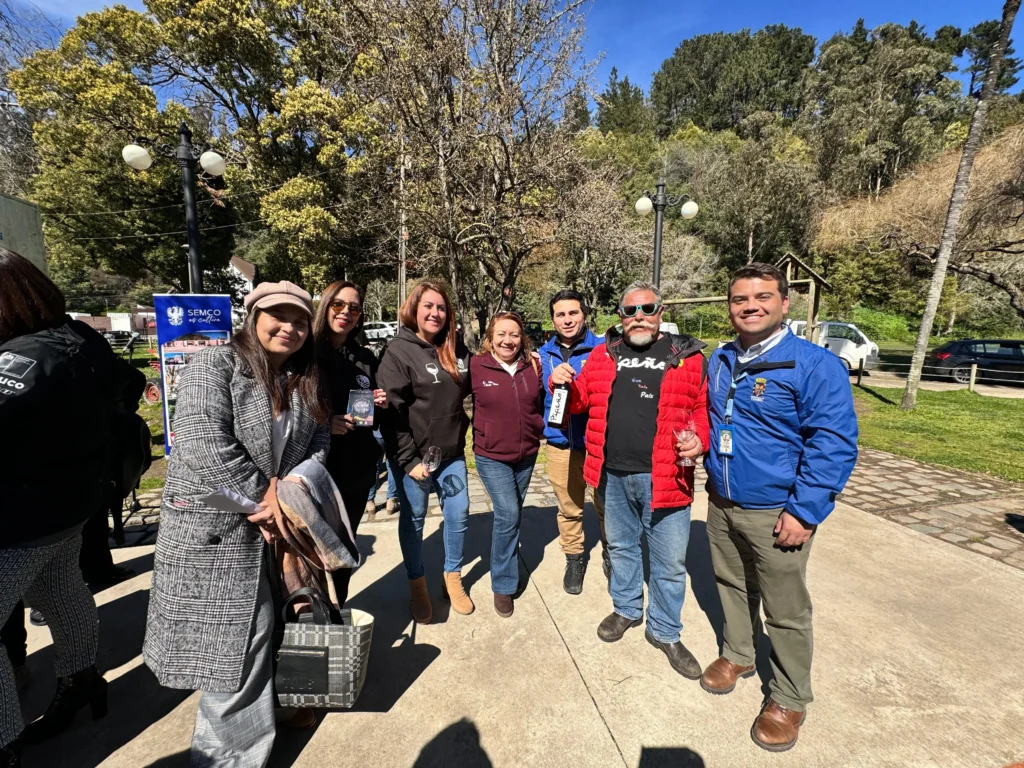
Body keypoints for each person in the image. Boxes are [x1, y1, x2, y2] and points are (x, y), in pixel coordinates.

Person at [144, 281, 330, 767]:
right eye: (278, 316)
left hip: (277, 527)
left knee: (269, 634)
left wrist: (291, 489)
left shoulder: (302, 377)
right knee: (236, 651)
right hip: (216, 528)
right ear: (252, 317)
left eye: (300, 319)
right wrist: (263, 498)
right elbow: (203, 443)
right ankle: (228, 758)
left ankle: (263, 723)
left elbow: (319, 440)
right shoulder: (216, 364)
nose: (289, 327)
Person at [693, 263, 857, 753]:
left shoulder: (812, 365)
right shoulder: (721, 359)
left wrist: (805, 510)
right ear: (730, 307)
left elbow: (833, 444)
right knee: (731, 584)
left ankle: (789, 697)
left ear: (784, 303)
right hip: (721, 501)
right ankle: (739, 654)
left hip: (777, 509)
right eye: (740, 299)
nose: (750, 306)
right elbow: (710, 417)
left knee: (785, 609)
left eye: (762, 296)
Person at [0, 249, 125, 766]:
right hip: (73, 504)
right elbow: (130, 384)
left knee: (60, 592)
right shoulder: (83, 338)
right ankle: (81, 679)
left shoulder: (19, 360)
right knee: (62, 591)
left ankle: (4, 739)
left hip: (21, 515)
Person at [549, 281, 709, 680]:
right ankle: (626, 609)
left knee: (669, 562)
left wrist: (700, 440)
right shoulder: (604, 355)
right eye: (630, 310)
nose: (639, 317)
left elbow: (703, 410)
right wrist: (561, 384)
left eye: (647, 308)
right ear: (619, 316)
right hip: (611, 474)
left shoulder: (687, 356)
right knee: (620, 547)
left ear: (660, 311)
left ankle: (665, 631)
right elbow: (582, 400)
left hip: (667, 476)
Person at [378, 280, 473, 623]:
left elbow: (479, 381)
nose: (435, 313)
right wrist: (408, 461)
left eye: (441, 307)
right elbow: (391, 412)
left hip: (451, 454)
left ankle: (452, 578)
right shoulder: (399, 352)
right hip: (414, 460)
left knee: (459, 514)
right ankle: (417, 584)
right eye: (428, 306)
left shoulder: (457, 348)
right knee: (414, 521)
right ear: (414, 310)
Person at [312, 280, 387, 607]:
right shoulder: (306, 353)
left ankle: (335, 611)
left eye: (354, 308)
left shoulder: (365, 358)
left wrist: (380, 404)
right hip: (316, 471)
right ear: (326, 305)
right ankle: (307, 619)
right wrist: (325, 424)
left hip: (356, 471)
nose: (346, 313)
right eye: (338, 305)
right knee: (313, 554)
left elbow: (372, 418)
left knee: (343, 550)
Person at [470, 312, 545, 617]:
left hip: (526, 454)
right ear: (490, 338)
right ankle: (503, 584)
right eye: (501, 334)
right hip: (491, 456)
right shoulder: (475, 367)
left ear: (522, 338)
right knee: (508, 513)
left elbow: (540, 402)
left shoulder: (533, 366)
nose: (508, 340)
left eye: (514, 334)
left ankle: (506, 562)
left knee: (512, 517)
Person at [538, 290, 607, 595]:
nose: (567, 320)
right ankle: (574, 557)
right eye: (560, 314)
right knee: (569, 508)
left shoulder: (604, 350)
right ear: (552, 319)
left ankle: (612, 554)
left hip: (598, 443)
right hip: (560, 443)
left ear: (584, 314)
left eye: (573, 313)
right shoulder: (543, 354)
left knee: (607, 506)